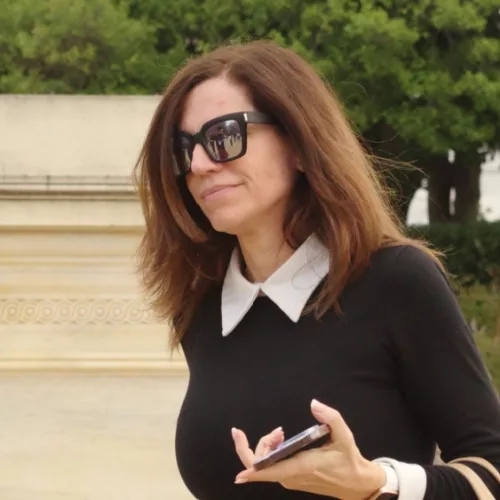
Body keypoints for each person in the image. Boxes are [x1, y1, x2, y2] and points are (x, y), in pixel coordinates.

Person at [134, 40, 500, 500]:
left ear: (300, 146)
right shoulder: (202, 306)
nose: (200, 165)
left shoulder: (397, 282)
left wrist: (376, 484)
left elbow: (492, 469)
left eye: (223, 136)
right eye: (182, 150)